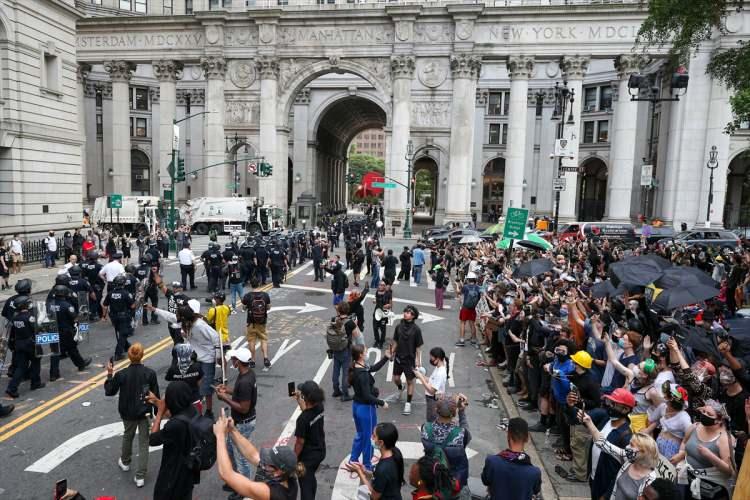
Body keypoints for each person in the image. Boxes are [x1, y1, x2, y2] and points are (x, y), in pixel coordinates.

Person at [149, 303, 221, 418]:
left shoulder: (199, 325)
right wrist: (154, 309)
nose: (176, 318)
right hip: (196, 357)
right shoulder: (187, 322)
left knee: (206, 387)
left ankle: (209, 411)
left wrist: (218, 357)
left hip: (207, 358)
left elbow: (216, 337)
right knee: (194, 385)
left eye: (178, 316)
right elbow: (170, 316)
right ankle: (193, 407)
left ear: (184, 317)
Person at [104, 343, 159, 488]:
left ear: (129, 356)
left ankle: (126, 461)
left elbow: (109, 391)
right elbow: (155, 396)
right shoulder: (150, 373)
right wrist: (155, 414)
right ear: (142, 355)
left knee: (128, 435)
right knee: (143, 442)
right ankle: (140, 475)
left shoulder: (121, 374)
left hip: (127, 412)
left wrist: (109, 374)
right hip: (144, 411)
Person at [215, 412, 302, 500]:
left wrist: (220, 435)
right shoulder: (286, 474)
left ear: (279, 472)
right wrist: (232, 430)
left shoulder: (272, 493)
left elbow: (226, 474)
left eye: (269, 462)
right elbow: (253, 455)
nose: (265, 462)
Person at [580, 411, 661, 500]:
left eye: (632, 445)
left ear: (643, 452)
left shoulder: (650, 480)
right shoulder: (627, 459)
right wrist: (589, 422)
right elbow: (604, 444)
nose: (627, 447)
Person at [147, 381, 201, 500]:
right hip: (189, 470)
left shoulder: (174, 426)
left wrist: (159, 413)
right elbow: (176, 415)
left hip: (174, 474)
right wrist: (157, 401)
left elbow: (153, 439)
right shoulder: (192, 410)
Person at [673, 400, 735, 500]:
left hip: (711, 488)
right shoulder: (695, 426)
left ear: (718, 420)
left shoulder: (724, 438)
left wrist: (710, 456)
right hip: (689, 479)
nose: (704, 415)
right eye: (704, 412)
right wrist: (680, 454)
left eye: (709, 414)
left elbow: (729, 471)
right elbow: (685, 442)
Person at [217, 347, 258, 496]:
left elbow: (244, 408)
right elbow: (240, 394)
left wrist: (224, 399)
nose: (232, 361)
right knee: (230, 450)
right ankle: (236, 482)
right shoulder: (246, 374)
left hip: (243, 423)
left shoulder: (245, 381)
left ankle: (245, 490)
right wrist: (227, 390)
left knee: (242, 458)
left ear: (239, 362)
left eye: (234, 359)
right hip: (239, 422)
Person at [588, 388, 637, 500]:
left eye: (614, 404)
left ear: (625, 410)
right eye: (610, 402)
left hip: (605, 486)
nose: (610, 406)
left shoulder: (626, 437)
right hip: (593, 478)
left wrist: (606, 495)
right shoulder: (606, 419)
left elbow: (623, 470)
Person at [349, 343, 391, 470]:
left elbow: (372, 368)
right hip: (366, 409)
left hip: (356, 406)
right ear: (361, 355)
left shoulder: (358, 367)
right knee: (369, 437)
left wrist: (385, 358)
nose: (367, 354)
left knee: (360, 434)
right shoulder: (362, 375)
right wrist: (381, 402)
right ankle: (367, 465)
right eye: (365, 352)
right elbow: (367, 396)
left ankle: (353, 459)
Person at [481, 417, 542, 500]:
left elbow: (485, 480)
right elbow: (535, 490)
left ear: (508, 436)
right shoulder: (534, 472)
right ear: (527, 438)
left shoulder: (492, 462)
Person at [420, 395, 471, 491]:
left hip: (432, 478)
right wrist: (461, 411)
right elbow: (466, 431)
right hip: (453, 482)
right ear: (454, 413)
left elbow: (433, 423)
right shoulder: (461, 434)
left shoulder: (425, 428)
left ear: (436, 410)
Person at [346, 422, 405, 500]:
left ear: (381, 442)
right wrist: (364, 471)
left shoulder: (383, 468)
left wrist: (360, 473)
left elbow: (374, 496)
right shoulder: (394, 452)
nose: (371, 438)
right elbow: (377, 477)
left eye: (374, 436)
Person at [47, 284, 93, 380]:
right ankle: (81, 364)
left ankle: (53, 374)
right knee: (72, 349)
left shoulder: (50, 304)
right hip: (66, 332)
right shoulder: (67, 306)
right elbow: (75, 319)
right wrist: (83, 314)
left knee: (55, 352)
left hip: (53, 330)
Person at [292, 380, 326, 500]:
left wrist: (294, 458)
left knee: (305, 484)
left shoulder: (302, 420)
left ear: (305, 397)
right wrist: (299, 400)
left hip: (307, 457)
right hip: (320, 450)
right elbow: (308, 413)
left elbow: (300, 442)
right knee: (310, 477)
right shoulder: (320, 407)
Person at [4, 296, 43, 398]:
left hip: (19, 345)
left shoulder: (15, 318)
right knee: (35, 362)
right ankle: (35, 383)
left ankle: (12, 388)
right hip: (30, 344)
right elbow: (36, 329)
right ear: (24, 305)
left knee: (21, 367)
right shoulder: (29, 317)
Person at [392, 305, 424, 416]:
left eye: (409, 312)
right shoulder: (399, 327)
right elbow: (395, 341)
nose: (406, 313)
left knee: (410, 381)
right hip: (398, 358)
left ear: (413, 316)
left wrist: (418, 361)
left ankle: (408, 404)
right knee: (396, 378)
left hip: (409, 359)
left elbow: (418, 348)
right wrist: (391, 352)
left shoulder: (416, 330)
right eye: (405, 311)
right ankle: (400, 388)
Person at [102, 275, 136, 361]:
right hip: (124, 317)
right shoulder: (126, 293)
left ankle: (127, 347)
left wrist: (104, 316)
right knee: (123, 335)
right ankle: (118, 354)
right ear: (123, 284)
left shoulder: (110, 293)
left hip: (114, 317)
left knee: (120, 332)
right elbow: (132, 306)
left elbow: (105, 306)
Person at [241, 278, 271, 370]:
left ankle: (253, 360)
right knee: (263, 339)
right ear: (259, 284)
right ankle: (265, 358)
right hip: (262, 322)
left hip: (251, 322)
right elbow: (269, 307)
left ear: (251, 285)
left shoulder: (248, 296)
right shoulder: (265, 295)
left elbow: (244, 307)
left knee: (251, 341)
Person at [164, 343, 203, 413]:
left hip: (179, 401)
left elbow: (169, 380)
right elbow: (199, 382)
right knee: (197, 419)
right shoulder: (197, 366)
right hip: (195, 399)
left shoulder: (173, 369)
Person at [413, 347, 449, 422]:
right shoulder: (438, 368)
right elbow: (431, 380)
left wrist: (421, 378)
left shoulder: (440, 372)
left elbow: (431, 391)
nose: (430, 360)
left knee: (431, 421)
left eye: (431, 358)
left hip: (433, 401)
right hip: (432, 400)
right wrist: (420, 375)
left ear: (438, 358)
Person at [456, 272, 481, 347]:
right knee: (472, 323)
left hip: (465, 307)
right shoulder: (478, 288)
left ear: (468, 279)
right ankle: (473, 339)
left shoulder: (465, 287)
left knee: (463, 323)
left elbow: (458, 293)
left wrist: (457, 285)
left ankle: (462, 340)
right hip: (473, 308)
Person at [372, 279, 393, 349]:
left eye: (383, 285)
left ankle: (381, 342)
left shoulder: (388, 294)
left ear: (385, 286)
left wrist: (388, 306)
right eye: (380, 285)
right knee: (375, 328)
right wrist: (374, 300)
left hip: (384, 314)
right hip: (376, 312)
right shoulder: (377, 292)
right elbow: (375, 299)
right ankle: (377, 340)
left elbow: (390, 304)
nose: (381, 286)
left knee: (383, 328)